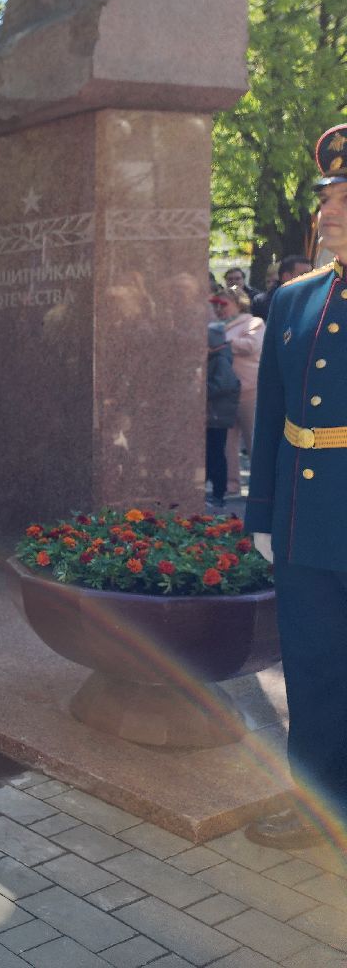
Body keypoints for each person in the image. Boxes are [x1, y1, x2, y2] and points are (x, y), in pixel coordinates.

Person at [243, 122, 347, 849]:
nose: (328, 212)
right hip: (305, 523)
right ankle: (317, 804)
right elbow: (273, 418)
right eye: (327, 199)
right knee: (310, 668)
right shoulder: (294, 300)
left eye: (344, 198)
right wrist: (261, 514)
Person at [217, 285, 263, 496]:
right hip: (225, 391)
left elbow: (251, 345)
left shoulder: (254, 322)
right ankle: (231, 485)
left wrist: (223, 341)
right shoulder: (216, 325)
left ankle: (260, 487)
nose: (220, 308)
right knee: (228, 442)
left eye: (223, 303)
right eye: (217, 304)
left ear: (238, 303)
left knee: (253, 439)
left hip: (249, 389)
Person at [205, 310, 240, 508]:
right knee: (212, 452)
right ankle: (215, 490)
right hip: (215, 414)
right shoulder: (218, 357)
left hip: (218, 415)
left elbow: (224, 385)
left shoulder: (220, 359)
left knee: (216, 453)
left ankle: (219, 493)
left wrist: (202, 390)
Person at [252, 254, 313, 319]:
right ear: (286, 276)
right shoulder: (262, 302)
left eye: (311, 274)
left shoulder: (314, 300)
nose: (310, 277)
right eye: (304, 274)